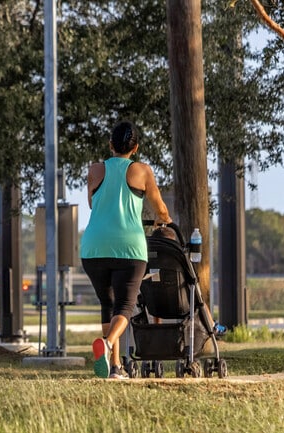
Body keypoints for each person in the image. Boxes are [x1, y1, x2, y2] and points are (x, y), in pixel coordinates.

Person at [80, 120, 172, 379]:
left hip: (93, 248)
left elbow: (91, 203)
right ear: (136, 148)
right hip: (129, 249)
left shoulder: (95, 170)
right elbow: (160, 208)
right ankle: (108, 345)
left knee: (107, 304)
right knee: (125, 307)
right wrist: (165, 220)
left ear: (110, 145)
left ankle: (115, 368)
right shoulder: (142, 171)